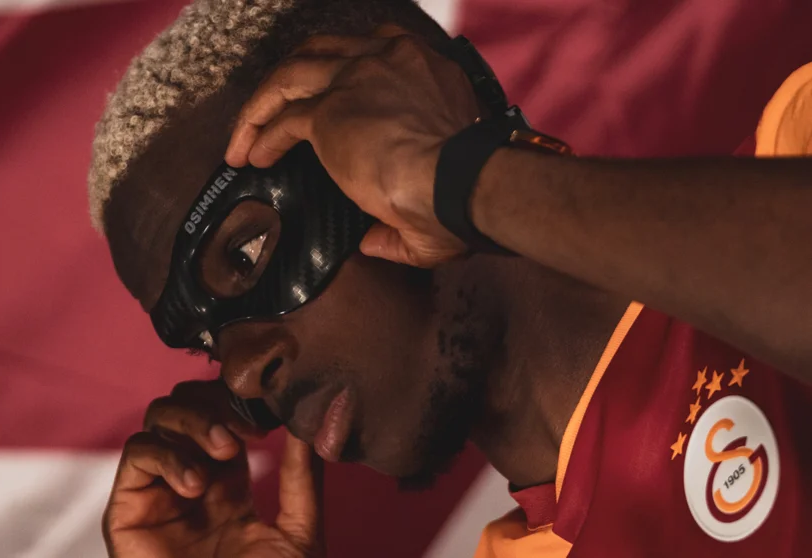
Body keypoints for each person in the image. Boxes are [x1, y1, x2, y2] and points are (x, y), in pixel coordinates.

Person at [87, 0, 812, 556]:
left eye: (245, 253)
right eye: (207, 345)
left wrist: (462, 173)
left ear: (410, 104)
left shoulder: (793, 145)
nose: (242, 374)